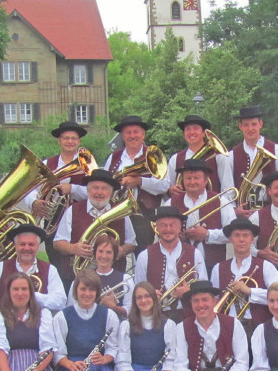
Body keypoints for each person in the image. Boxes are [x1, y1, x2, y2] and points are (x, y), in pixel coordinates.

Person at [52, 168, 137, 286]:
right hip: (77, 278)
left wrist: (121, 251)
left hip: (112, 278)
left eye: (104, 188)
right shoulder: (73, 210)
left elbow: (131, 243)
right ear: (88, 190)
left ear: (111, 192)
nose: (99, 192)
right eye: (95, 188)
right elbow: (57, 243)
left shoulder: (121, 212)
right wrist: (74, 248)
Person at [103, 115, 170, 247]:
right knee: (116, 250)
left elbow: (164, 185)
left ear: (143, 134)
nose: (132, 136)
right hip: (117, 212)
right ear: (122, 136)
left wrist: (140, 181)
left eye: (136, 132)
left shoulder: (153, 155)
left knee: (143, 253)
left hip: (144, 214)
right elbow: (105, 183)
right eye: (128, 132)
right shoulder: (113, 157)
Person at [134, 206, 207, 323]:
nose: (168, 229)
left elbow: (205, 289)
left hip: (189, 316)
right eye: (163, 225)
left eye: (172, 225)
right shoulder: (144, 256)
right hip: (156, 317)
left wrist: (190, 291)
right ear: (157, 227)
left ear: (180, 228)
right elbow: (137, 290)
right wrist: (149, 295)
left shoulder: (195, 253)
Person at [163, 158, 235, 270]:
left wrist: (207, 234)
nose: (192, 182)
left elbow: (233, 233)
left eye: (196, 178)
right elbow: (161, 232)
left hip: (213, 266)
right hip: (179, 265)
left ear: (205, 180)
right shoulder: (171, 203)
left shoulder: (220, 201)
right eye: (188, 178)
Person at [209, 217, 278, 330]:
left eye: (246, 235)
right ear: (230, 239)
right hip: (227, 327)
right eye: (236, 235)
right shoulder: (218, 268)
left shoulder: (266, 266)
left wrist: (250, 291)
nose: (241, 239)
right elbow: (214, 300)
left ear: (252, 239)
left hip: (258, 327)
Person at [0, 223, 65, 313]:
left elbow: (60, 302)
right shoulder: (0, 268)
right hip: (4, 324)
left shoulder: (50, 269)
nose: (26, 248)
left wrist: (34, 296)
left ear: (37, 246)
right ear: (15, 246)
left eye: (31, 244)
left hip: (38, 325)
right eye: (22, 244)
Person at [21, 120, 92, 219]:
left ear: (79, 141)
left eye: (74, 138)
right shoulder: (46, 164)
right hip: (50, 220)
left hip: (81, 219)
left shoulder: (89, 165)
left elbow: (95, 192)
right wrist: (33, 202)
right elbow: (29, 189)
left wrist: (72, 189)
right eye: (66, 138)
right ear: (59, 140)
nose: (70, 141)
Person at [229, 105, 278, 217]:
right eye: (246, 125)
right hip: (244, 214)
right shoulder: (231, 155)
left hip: (271, 212)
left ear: (260, 124)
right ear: (240, 126)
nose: (250, 129)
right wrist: (235, 210)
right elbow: (229, 190)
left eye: (254, 124)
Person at [68, 234, 133, 320]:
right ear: (95, 253)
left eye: (109, 252)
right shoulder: (82, 279)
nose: (104, 256)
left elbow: (131, 312)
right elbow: (71, 309)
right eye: (100, 251)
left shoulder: (125, 279)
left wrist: (113, 306)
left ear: (115, 255)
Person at [168, 114, 228, 196]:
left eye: (196, 128)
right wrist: (170, 189)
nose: (191, 132)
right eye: (188, 129)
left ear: (204, 133)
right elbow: (169, 185)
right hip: (184, 207)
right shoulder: (175, 159)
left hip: (212, 206)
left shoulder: (218, 157)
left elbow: (227, 188)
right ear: (184, 134)